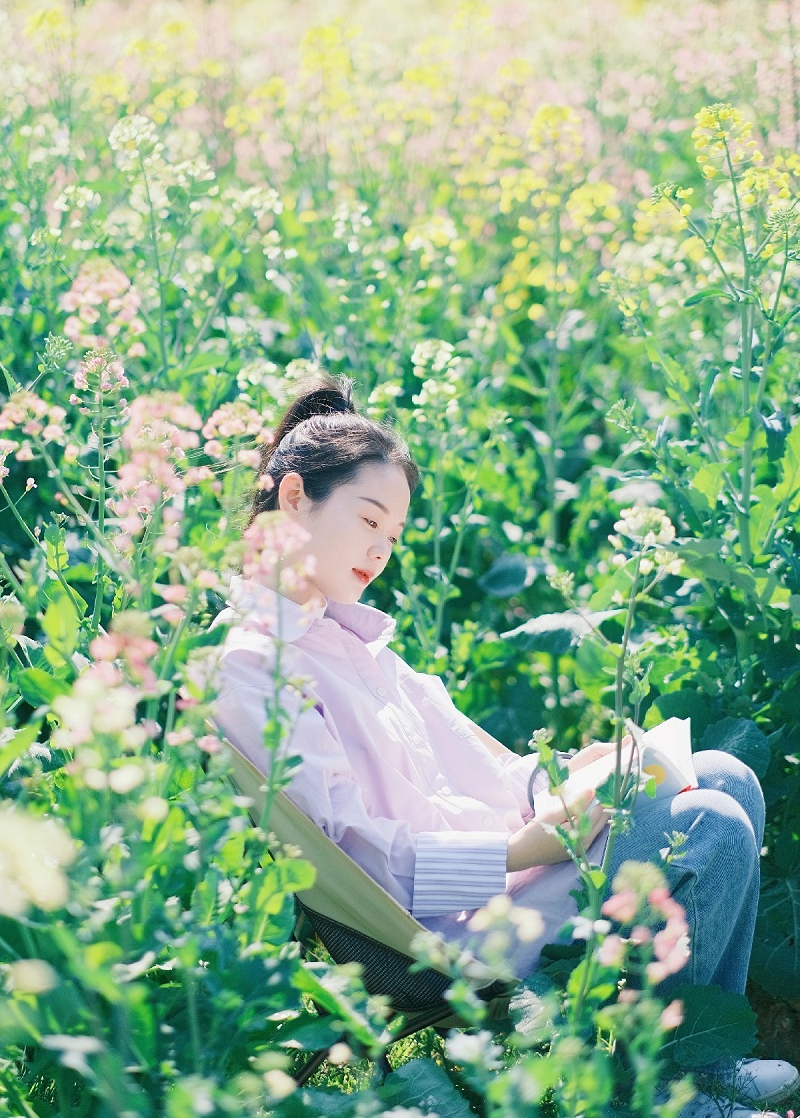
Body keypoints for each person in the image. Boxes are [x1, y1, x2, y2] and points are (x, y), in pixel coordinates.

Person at [214, 373, 797, 1118]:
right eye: (369, 521)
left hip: (500, 869)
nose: (381, 550)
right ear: (294, 497)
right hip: (436, 927)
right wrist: (521, 849)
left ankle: (704, 1069)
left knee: (725, 773)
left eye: (394, 536)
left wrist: (572, 774)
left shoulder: (353, 642)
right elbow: (357, 861)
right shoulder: (253, 663)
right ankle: (668, 1098)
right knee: (711, 823)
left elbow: (481, 771)